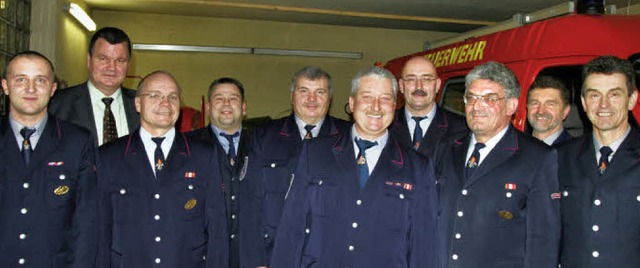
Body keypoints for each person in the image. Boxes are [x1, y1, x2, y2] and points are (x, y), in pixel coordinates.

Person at [270, 66, 437, 267]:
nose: (376, 107)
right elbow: (291, 228)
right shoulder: (314, 154)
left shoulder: (417, 167)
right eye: (367, 97)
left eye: (384, 99)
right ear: (351, 103)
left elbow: (424, 245)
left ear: (394, 105)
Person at [433, 61, 560, 268]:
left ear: (511, 105)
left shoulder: (537, 158)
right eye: (471, 98)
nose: (477, 106)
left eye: (490, 98)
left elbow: (543, 242)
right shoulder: (447, 146)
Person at [96, 71, 228, 267]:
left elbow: (217, 228)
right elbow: (100, 228)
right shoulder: (109, 156)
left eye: (172, 97)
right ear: (138, 104)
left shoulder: (204, 155)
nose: (165, 103)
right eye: (155, 95)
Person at [0, 51, 97, 267]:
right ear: (5, 86)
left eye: (40, 80)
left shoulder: (77, 141)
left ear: (53, 89)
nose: (31, 89)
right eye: (21, 79)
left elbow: (86, 222)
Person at [249, 66, 350, 264]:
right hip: (275, 252)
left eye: (319, 92)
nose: (311, 99)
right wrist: (256, 258)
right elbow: (251, 202)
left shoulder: (349, 137)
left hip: (331, 253)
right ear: (292, 96)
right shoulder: (263, 136)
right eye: (304, 91)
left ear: (329, 98)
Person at [558, 55, 640, 268]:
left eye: (614, 94)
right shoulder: (560, 157)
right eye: (594, 95)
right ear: (584, 103)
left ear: (632, 99)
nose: (603, 105)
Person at [186, 77, 254, 268]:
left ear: (244, 107)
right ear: (208, 107)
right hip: (203, 257)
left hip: (250, 257)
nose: (226, 103)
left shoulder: (262, 145)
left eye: (233, 98)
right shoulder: (186, 146)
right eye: (218, 98)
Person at [49, 27, 139, 146]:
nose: (112, 67)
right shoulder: (56, 105)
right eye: (103, 59)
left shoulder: (144, 105)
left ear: (128, 65)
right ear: (88, 60)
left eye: (120, 60)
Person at [390, 56, 467, 157]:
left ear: (438, 85)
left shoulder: (462, 128)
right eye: (411, 79)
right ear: (401, 85)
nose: (419, 86)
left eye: (426, 79)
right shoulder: (385, 126)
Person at [526, 75, 573, 145]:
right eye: (535, 103)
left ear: (565, 111)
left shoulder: (576, 153)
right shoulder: (513, 148)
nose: (540, 111)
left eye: (550, 104)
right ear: (527, 108)